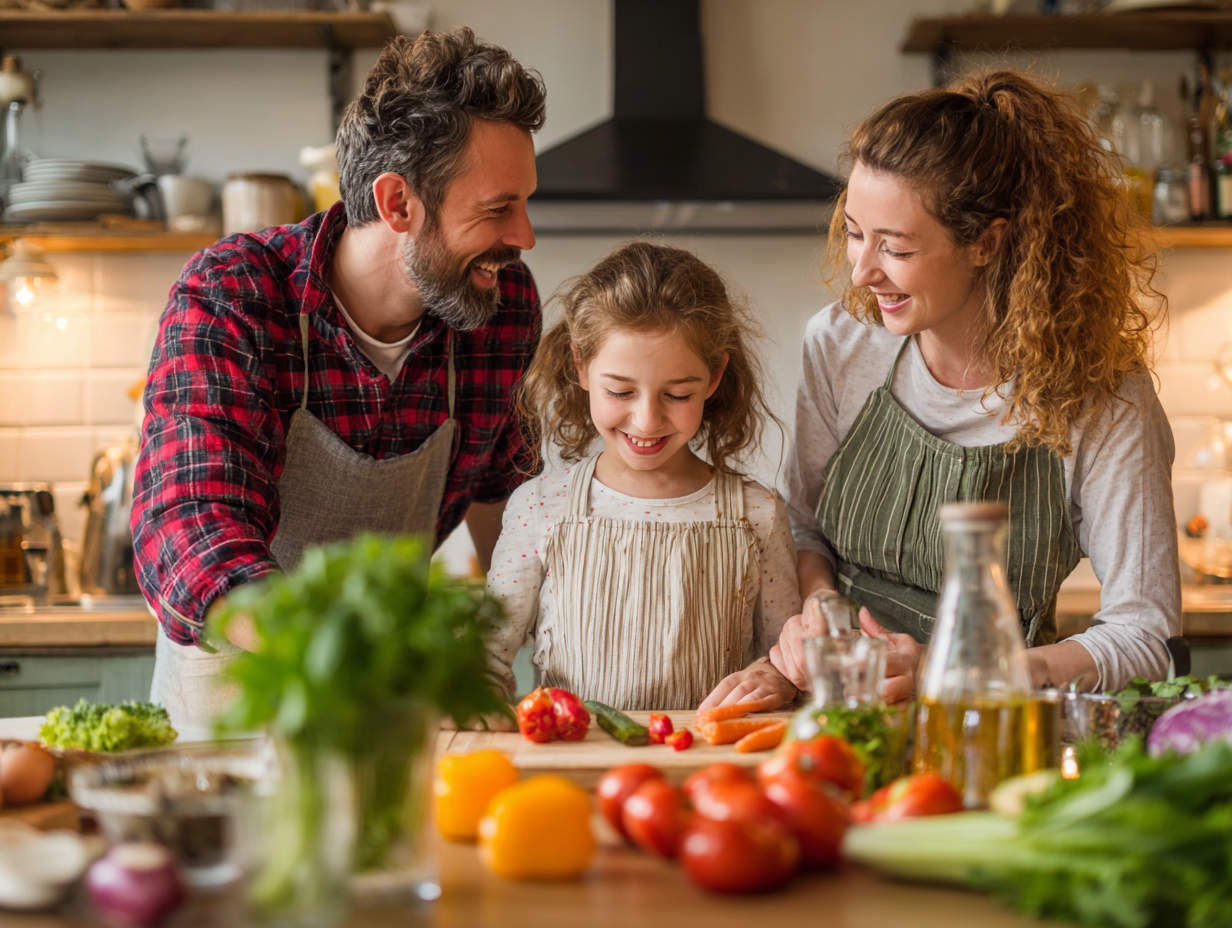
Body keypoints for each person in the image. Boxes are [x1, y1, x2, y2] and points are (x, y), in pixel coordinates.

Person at [133, 28, 547, 725]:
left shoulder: (500, 310)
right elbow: (192, 523)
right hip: (237, 684)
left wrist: (495, 659)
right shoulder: (235, 295)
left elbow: (503, 503)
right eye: (498, 209)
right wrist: (323, 655)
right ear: (398, 204)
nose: (525, 236)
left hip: (383, 685)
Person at [771, 70, 1180, 701]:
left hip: (991, 720)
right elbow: (805, 527)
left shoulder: (1105, 400)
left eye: (896, 248)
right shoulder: (840, 344)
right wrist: (819, 610)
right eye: (854, 232)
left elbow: (1144, 634)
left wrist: (963, 670)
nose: (860, 272)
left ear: (986, 242)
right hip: (836, 705)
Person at [485, 242, 801, 712]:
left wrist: (777, 678)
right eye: (620, 391)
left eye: (676, 394)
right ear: (581, 365)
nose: (647, 420)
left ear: (714, 377)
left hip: (707, 769)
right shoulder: (539, 506)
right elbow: (485, 657)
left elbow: (788, 657)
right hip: (573, 763)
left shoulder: (758, 514)